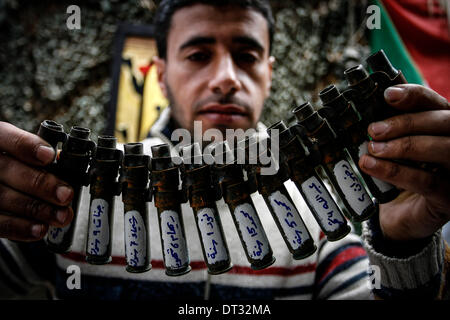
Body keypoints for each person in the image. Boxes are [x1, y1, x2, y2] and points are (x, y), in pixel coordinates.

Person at [0, 0, 449, 300]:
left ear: (270, 73)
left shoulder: (316, 209)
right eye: (198, 55)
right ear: (159, 74)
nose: (227, 78)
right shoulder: (74, 197)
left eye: (247, 55)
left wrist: (404, 242)